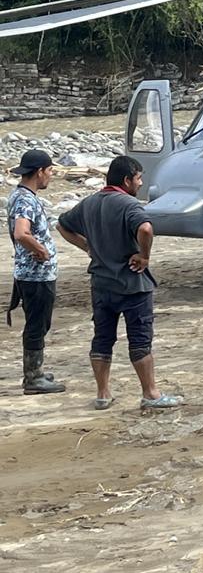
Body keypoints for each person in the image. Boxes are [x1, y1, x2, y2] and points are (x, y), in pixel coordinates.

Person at [57, 155, 183, 409]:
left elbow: (62, 225)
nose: (140, 183)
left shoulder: (89, 203)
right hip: (132, 284)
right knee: (140, 340)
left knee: (102, 338)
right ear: (126, 180)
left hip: (101, 283)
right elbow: (145, 229)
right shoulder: (128, 204)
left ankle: (103, 394)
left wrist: (88, 247)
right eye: (138, 178)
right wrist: (144, 256)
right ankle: (151, 394)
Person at [7, 149, 63, 395]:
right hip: (35, 275)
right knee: (37, 324)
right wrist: (41, 250)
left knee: (38, 323)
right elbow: (21, 233)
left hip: (29, 273)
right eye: (49, 170)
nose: (50, 175)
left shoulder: (20, 195)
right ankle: (33, 378)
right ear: (39, 172)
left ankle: (35, 371)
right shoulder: (26, 200)